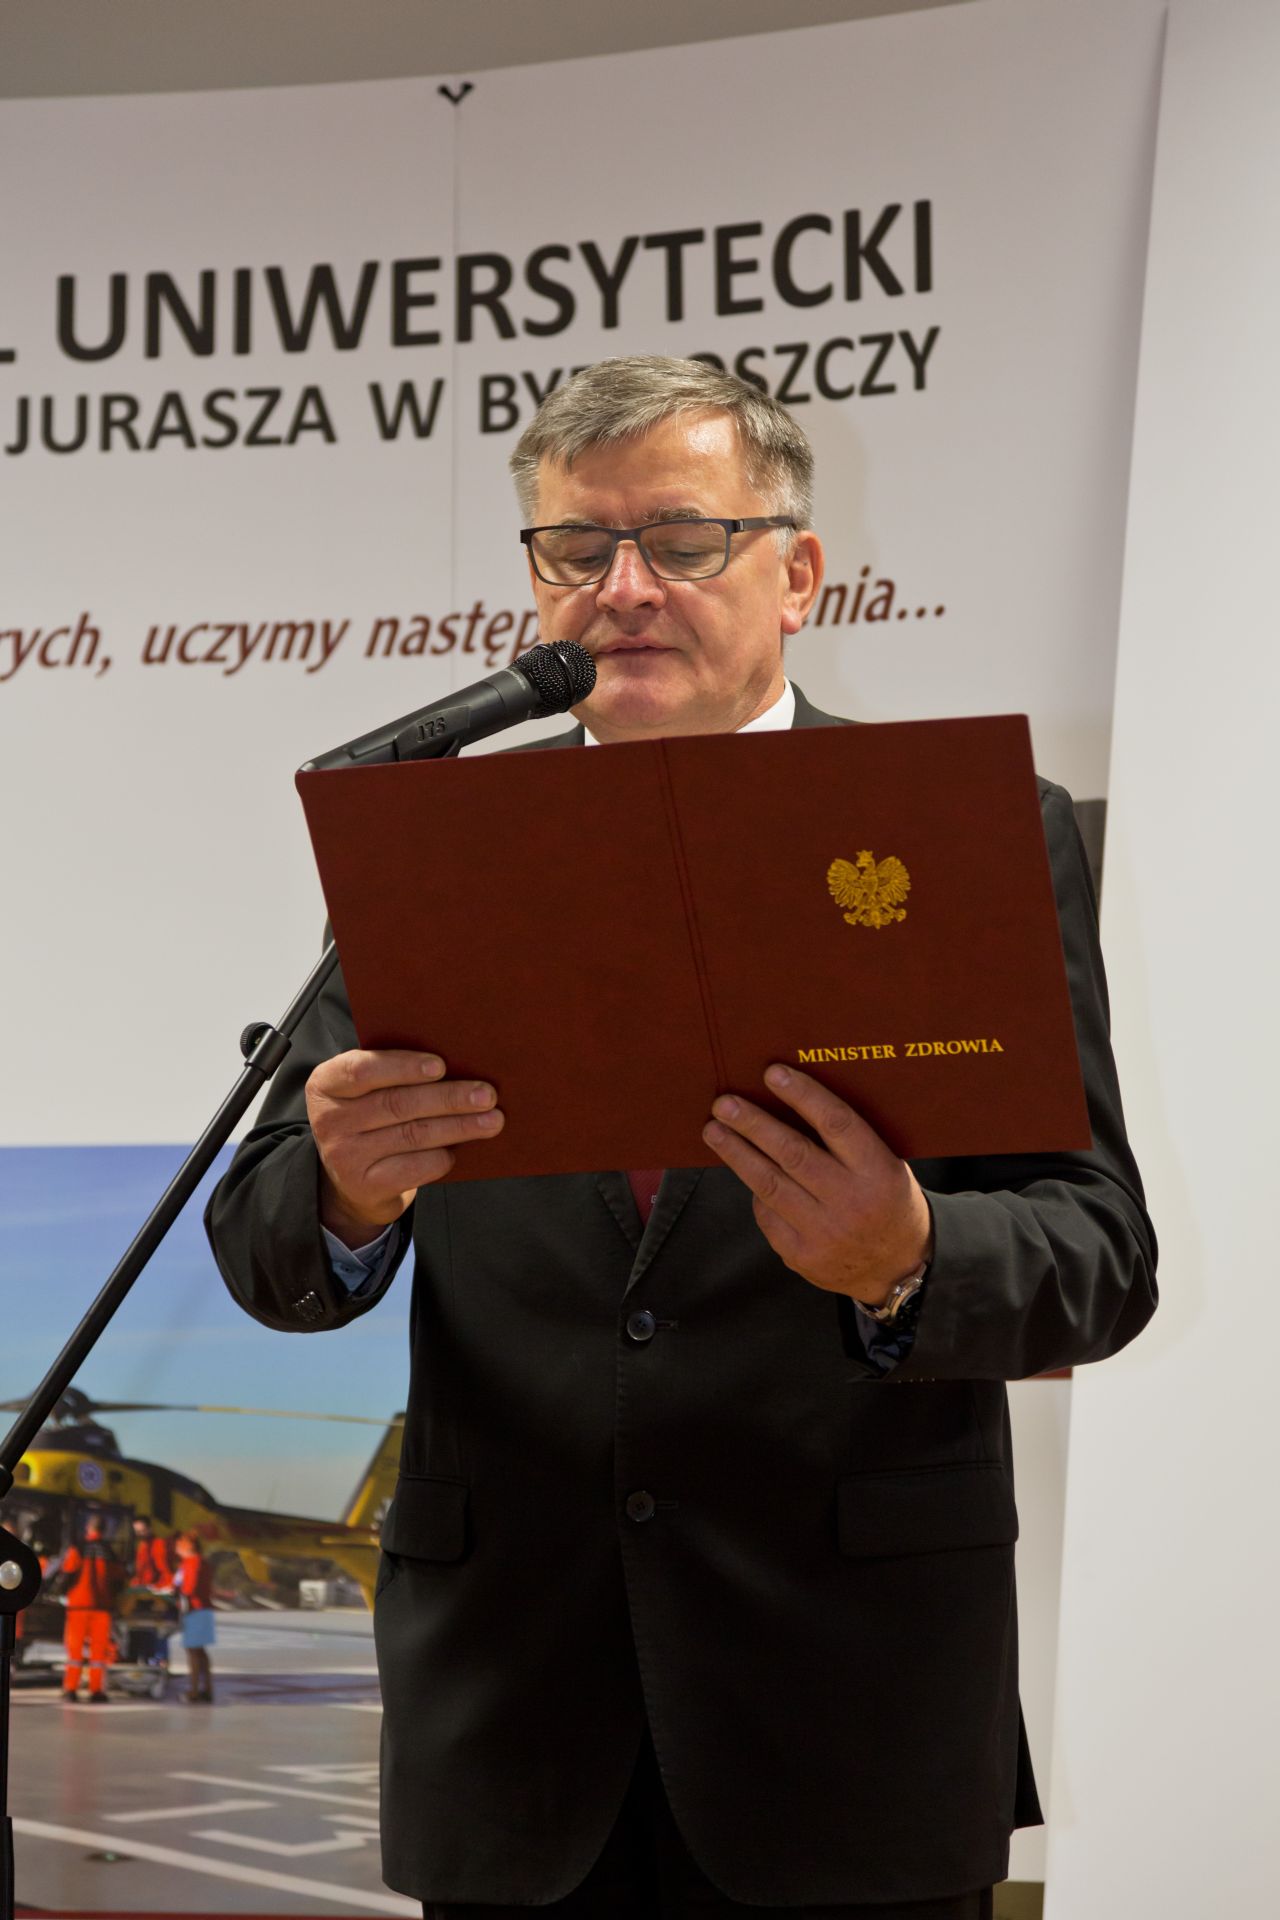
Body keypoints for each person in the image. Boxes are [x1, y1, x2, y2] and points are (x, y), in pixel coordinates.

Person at [207, 356, 1157, 1917]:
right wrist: (346, 1193)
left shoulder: (965, 828)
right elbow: (264, 1246)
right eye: (577, 549)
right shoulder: (434, 840)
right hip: (512, 1733)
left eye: (683, 540)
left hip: (849, 1727)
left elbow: (1100, 1255)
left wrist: (909, 1257)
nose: (624, 589)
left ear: (799, 575)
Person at [59, 1515, 126, 1704]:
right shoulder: (110, 1552)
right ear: (104, 1530)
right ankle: (97, 1690)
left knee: (75, 1651)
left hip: (78, 1606)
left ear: (88, 1527)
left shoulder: (78, 1548)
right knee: (99, 1652)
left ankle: (71, 1689)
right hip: (102, 1607)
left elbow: (68, 1573)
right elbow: (119, 1580)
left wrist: (62, 1591)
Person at [172, 1531, 215, 1702]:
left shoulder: (192, 1562)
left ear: (187, 1547)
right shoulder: (200, 1562)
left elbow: (189, 1587)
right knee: (200, 1651)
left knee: (193, 1651)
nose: (176, 1549)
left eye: (179, 1545)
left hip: (194, 1610)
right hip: (203, 1609)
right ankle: (207, 1688)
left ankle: (194, 1690)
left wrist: (177, 1593)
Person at [132, 1516, 172, 1589]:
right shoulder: (142, 1544)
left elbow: (164, 1569)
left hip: (155, 1587)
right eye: (137, 1532)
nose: (140, 1534)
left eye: (143, 1530)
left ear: (150, 1528)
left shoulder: (158, 1544)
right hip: (143, 1585)